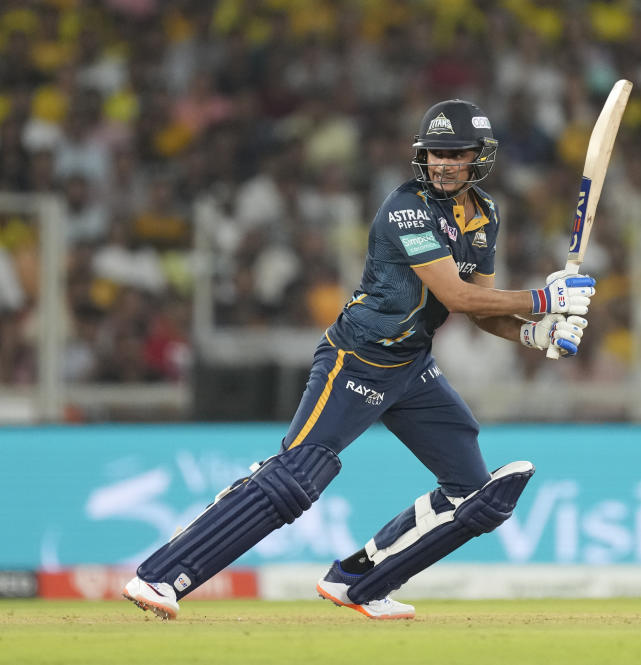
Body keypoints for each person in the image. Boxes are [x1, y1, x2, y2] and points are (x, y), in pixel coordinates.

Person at [121, 99, 596, 620]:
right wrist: (546, 300)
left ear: (479, 156)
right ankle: (160, 576)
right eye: (434, 153)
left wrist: (537, 335)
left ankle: (359, 582)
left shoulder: (485, 215)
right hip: (357, 358)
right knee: (297, 477)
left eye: (455, 153)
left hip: (412, 367)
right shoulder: (405, 207)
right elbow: (457, 296)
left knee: (474, 496)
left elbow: (483, 312)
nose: (442, 163)